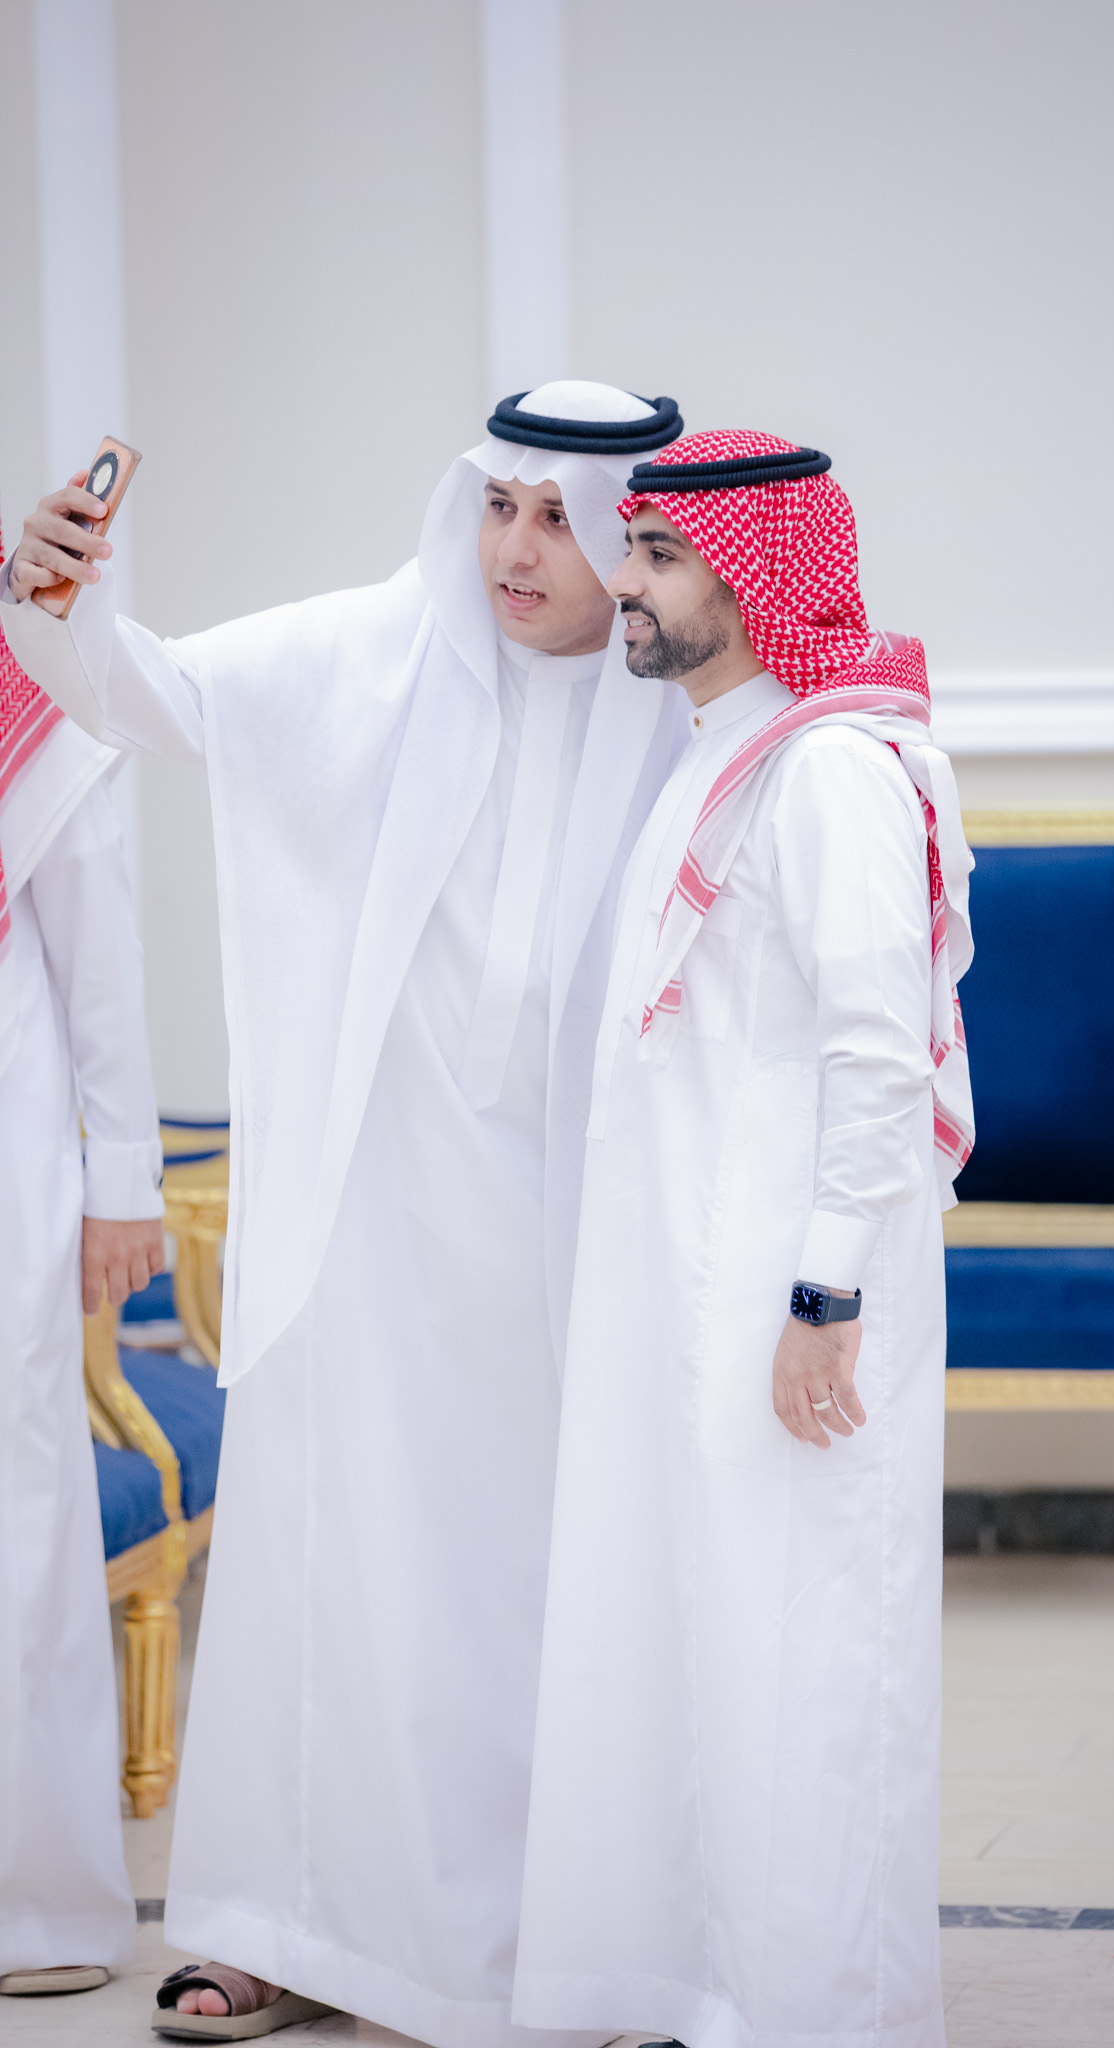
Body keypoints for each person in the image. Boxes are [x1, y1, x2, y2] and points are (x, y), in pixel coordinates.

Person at [0, 384, 688, 2047]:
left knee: (555, 1593)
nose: (516, 549)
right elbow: (148, 694)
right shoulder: (377, 652)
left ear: (625, 537)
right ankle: (285, 1933)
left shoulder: (690, 716)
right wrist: (54, 594)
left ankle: (578, 1949)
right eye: (497, 506)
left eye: (559, 519)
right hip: (370, 1229)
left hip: (586, 1244)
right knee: (345, 1582)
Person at [511, 432, 975, 2048]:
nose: (622, 583)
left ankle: (816, 2010)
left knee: (803, 1651)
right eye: (631, 549)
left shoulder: (827, 770)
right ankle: (709, 1991)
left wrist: (824, 1292)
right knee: (710, 1638)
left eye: (657, 556)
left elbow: (877, 1054)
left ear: (756, 575)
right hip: (702, 1285)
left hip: (791, 1293)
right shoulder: (729, 754)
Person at [0, 593, 164, 2000]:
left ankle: (33, 1903)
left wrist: (124, 1181)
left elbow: (97, 954)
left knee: (21, 1501)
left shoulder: (22, 687)